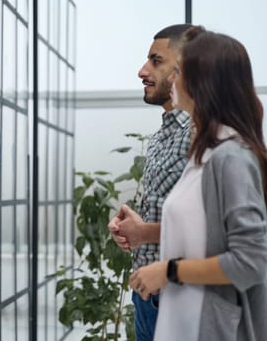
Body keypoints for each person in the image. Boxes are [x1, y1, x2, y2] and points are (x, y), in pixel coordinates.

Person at [129, 28, 267, 341]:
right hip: (184, 319)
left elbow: (250, 261)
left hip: (212, 326)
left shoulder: (230, 156)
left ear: (203, 82)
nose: (173, 79)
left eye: (180, 71)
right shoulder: (204, 152)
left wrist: (168, 271)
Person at [107, 24, 193, 340]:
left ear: (186, 70)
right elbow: (171, 217)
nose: (142, 71)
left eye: (156, 61)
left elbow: (217, 232)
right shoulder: (159, 139)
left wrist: (144, 232)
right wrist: (133, 232)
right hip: (147, 297)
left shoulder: (203, 137)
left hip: (180, 298)